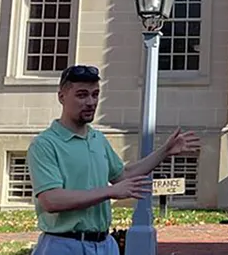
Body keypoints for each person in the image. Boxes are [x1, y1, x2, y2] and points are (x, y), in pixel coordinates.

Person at [27, 64, 201, 254]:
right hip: (63, 245)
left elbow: (124, 175)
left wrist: (165, 151)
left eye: (95, 94)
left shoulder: (97, 139)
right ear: (61, 97)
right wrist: (109, 192)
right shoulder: (45, 144)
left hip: (105, 245)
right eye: (82, 95)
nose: (91, 102)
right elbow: (51, 200)